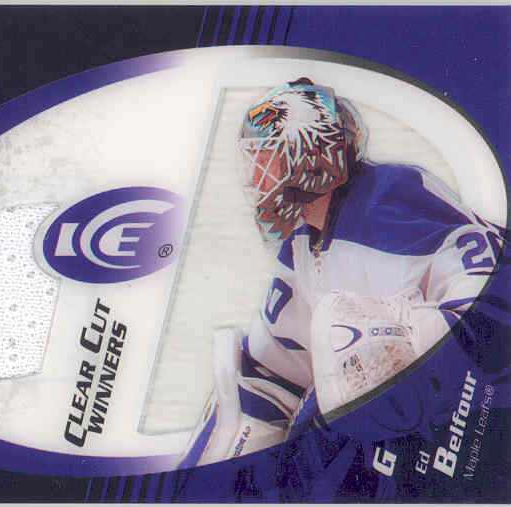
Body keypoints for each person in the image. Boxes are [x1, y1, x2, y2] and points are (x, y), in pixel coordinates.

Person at [179, 78, 504, 468]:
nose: (256, 179)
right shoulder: (299, 249)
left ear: (309, 155)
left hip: (484, 404)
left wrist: (409, 344)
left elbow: (491, 280)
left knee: (343, 341)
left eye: (267, 159)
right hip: (421, 436)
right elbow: (272, 373)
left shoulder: (388, 197)